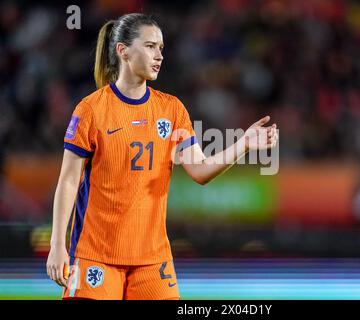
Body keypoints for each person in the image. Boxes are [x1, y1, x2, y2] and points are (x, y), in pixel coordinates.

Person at [46, 13, 278, 300]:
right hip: (97, 255)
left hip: (152, 260)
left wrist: (243, 143)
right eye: (150, 46)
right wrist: (58, 245)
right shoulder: (91, 110)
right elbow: (68, 181)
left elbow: (200, 170)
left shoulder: (172, 110)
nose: (159, 56)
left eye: (161, 48)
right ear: (123, 51)